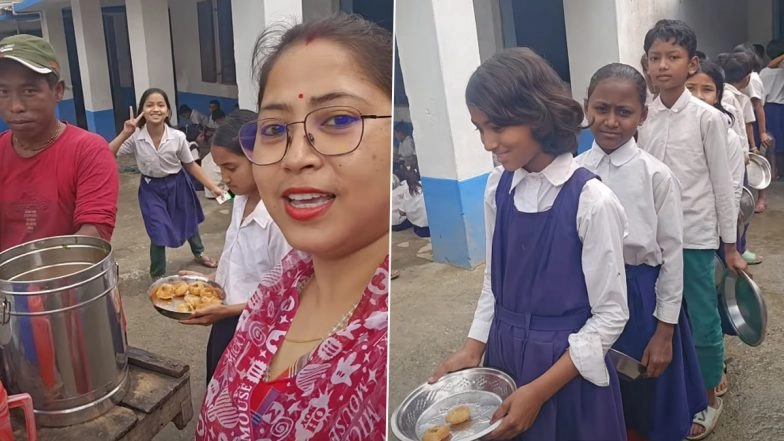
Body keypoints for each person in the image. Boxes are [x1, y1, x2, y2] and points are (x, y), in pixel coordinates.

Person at [196, 13, 391, 440]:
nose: (294, 156)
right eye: (274, 129)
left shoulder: (390, 347)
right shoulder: (277, 291)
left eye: (338, 120)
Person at [430, 47, 629, 441]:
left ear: (537, 114)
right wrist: (474, 348)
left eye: (498, 128)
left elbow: (610, 316)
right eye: (479, 129)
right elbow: (494, 282)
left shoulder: (591, 201)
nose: (488, 143)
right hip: (504, 359)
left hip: (563, 369)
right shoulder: (497, 188)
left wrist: (539, 391)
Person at [577, 63, 707, 441]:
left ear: (643, 115)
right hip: (589, 295)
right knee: (603, 389)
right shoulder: (574, 172)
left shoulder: (656, 176)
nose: (611, 121)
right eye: (601, 109)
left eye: (624, 112)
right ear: (587, 107)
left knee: (648, 388)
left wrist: (665, 330)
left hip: (642, 296)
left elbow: (671, 256)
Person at [638, 19, 747, 440]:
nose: (663, 66)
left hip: (695, 238)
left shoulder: (707, 119)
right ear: (646, 64)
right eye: (655, 58)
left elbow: (724, 187)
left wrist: (731, 246)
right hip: (651, 238)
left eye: (673, 57)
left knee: (702, 318)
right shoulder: (642, 116)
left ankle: (708, 397)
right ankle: (676, 388)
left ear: (692, 63)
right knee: (662, 315)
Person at [179, 109, 292, 384]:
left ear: (261, 159)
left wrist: (228, 311)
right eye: (220, 169)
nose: (225, 178)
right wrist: (209, 281)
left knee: (246, 394)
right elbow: (238, 258)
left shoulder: (280, 221)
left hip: (258, 328)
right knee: (217, 381)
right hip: (225, 319)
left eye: (231, 168)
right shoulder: (239, 200)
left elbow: (287, 296)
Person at [0, 34, 119, 251]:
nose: (15, 106)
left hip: (72, 282)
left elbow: (94, 234)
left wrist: (30, 278)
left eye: (29, 91)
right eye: (3, 92)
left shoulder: (88, 151)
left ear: (58, 91)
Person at [109, 88, 223, 278]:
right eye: (150, 105)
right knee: (157, 230)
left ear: (168, 111)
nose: (156, 109)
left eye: (161, 105)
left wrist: (213, 187)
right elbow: (107, 152)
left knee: (188, 221)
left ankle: (199, 253)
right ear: (142, 111)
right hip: (150, 190)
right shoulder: (136, 137)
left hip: (178, 185)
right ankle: (158, 274)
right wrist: (125, 133)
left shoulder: (177, 137)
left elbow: (191, 165)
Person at [686, 60, 748, 405]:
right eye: (691, 88)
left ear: (720, 95)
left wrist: (730, 244)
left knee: (705, 306)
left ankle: (713, 372)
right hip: (675, 235)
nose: (697, 95)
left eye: (706, 88)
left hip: (709, 234)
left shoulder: (725, 133)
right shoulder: (669, 126)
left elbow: (731, 192)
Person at [735, 43, 773, 213]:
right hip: (742, 121)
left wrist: (763, 132)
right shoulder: (739, 77)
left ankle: (762, 197)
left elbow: (758, 107)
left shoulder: (752, 79)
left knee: (755, 159)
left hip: (754, 123)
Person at [762, 39, 784, 178]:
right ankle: (780, 171)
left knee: (772, 142)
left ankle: (773, 170)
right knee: (780, 141)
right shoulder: (781, 72)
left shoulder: (764, 72)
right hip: (780, 109)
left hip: (768, 108)